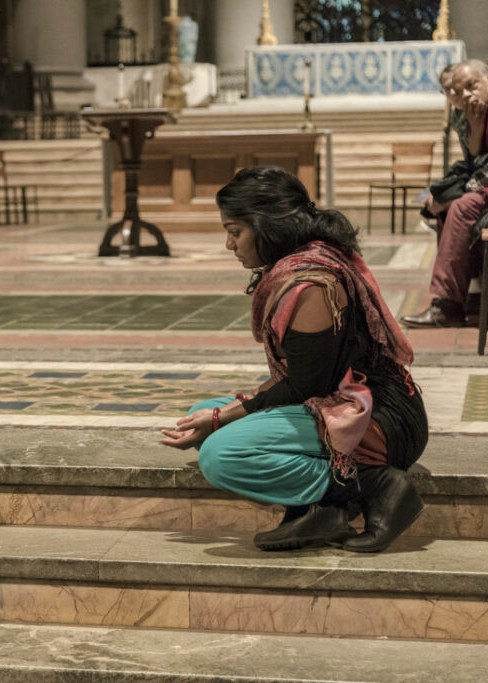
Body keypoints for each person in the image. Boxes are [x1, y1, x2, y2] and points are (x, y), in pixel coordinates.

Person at [160, 166, 428, 553]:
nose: (229, 245)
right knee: (201, 414)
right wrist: (221, 415)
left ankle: (371, 485)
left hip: (381, 420)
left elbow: (305, 385)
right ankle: (322, 512)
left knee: (221, 455)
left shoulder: (312, 285)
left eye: (235, 232)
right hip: (340, 401)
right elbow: (305, 378)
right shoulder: (297, 264)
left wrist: (226, 416)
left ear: (267, 226)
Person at [403, 59, 488, 328]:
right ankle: (464, 295)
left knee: (463, 205)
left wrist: (451, 198)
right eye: (458, 90)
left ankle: (448, 304)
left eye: (471, 86)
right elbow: (476, 162)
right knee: (452, 206)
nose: (465, 94)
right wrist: (475, 129)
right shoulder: (478, 110)